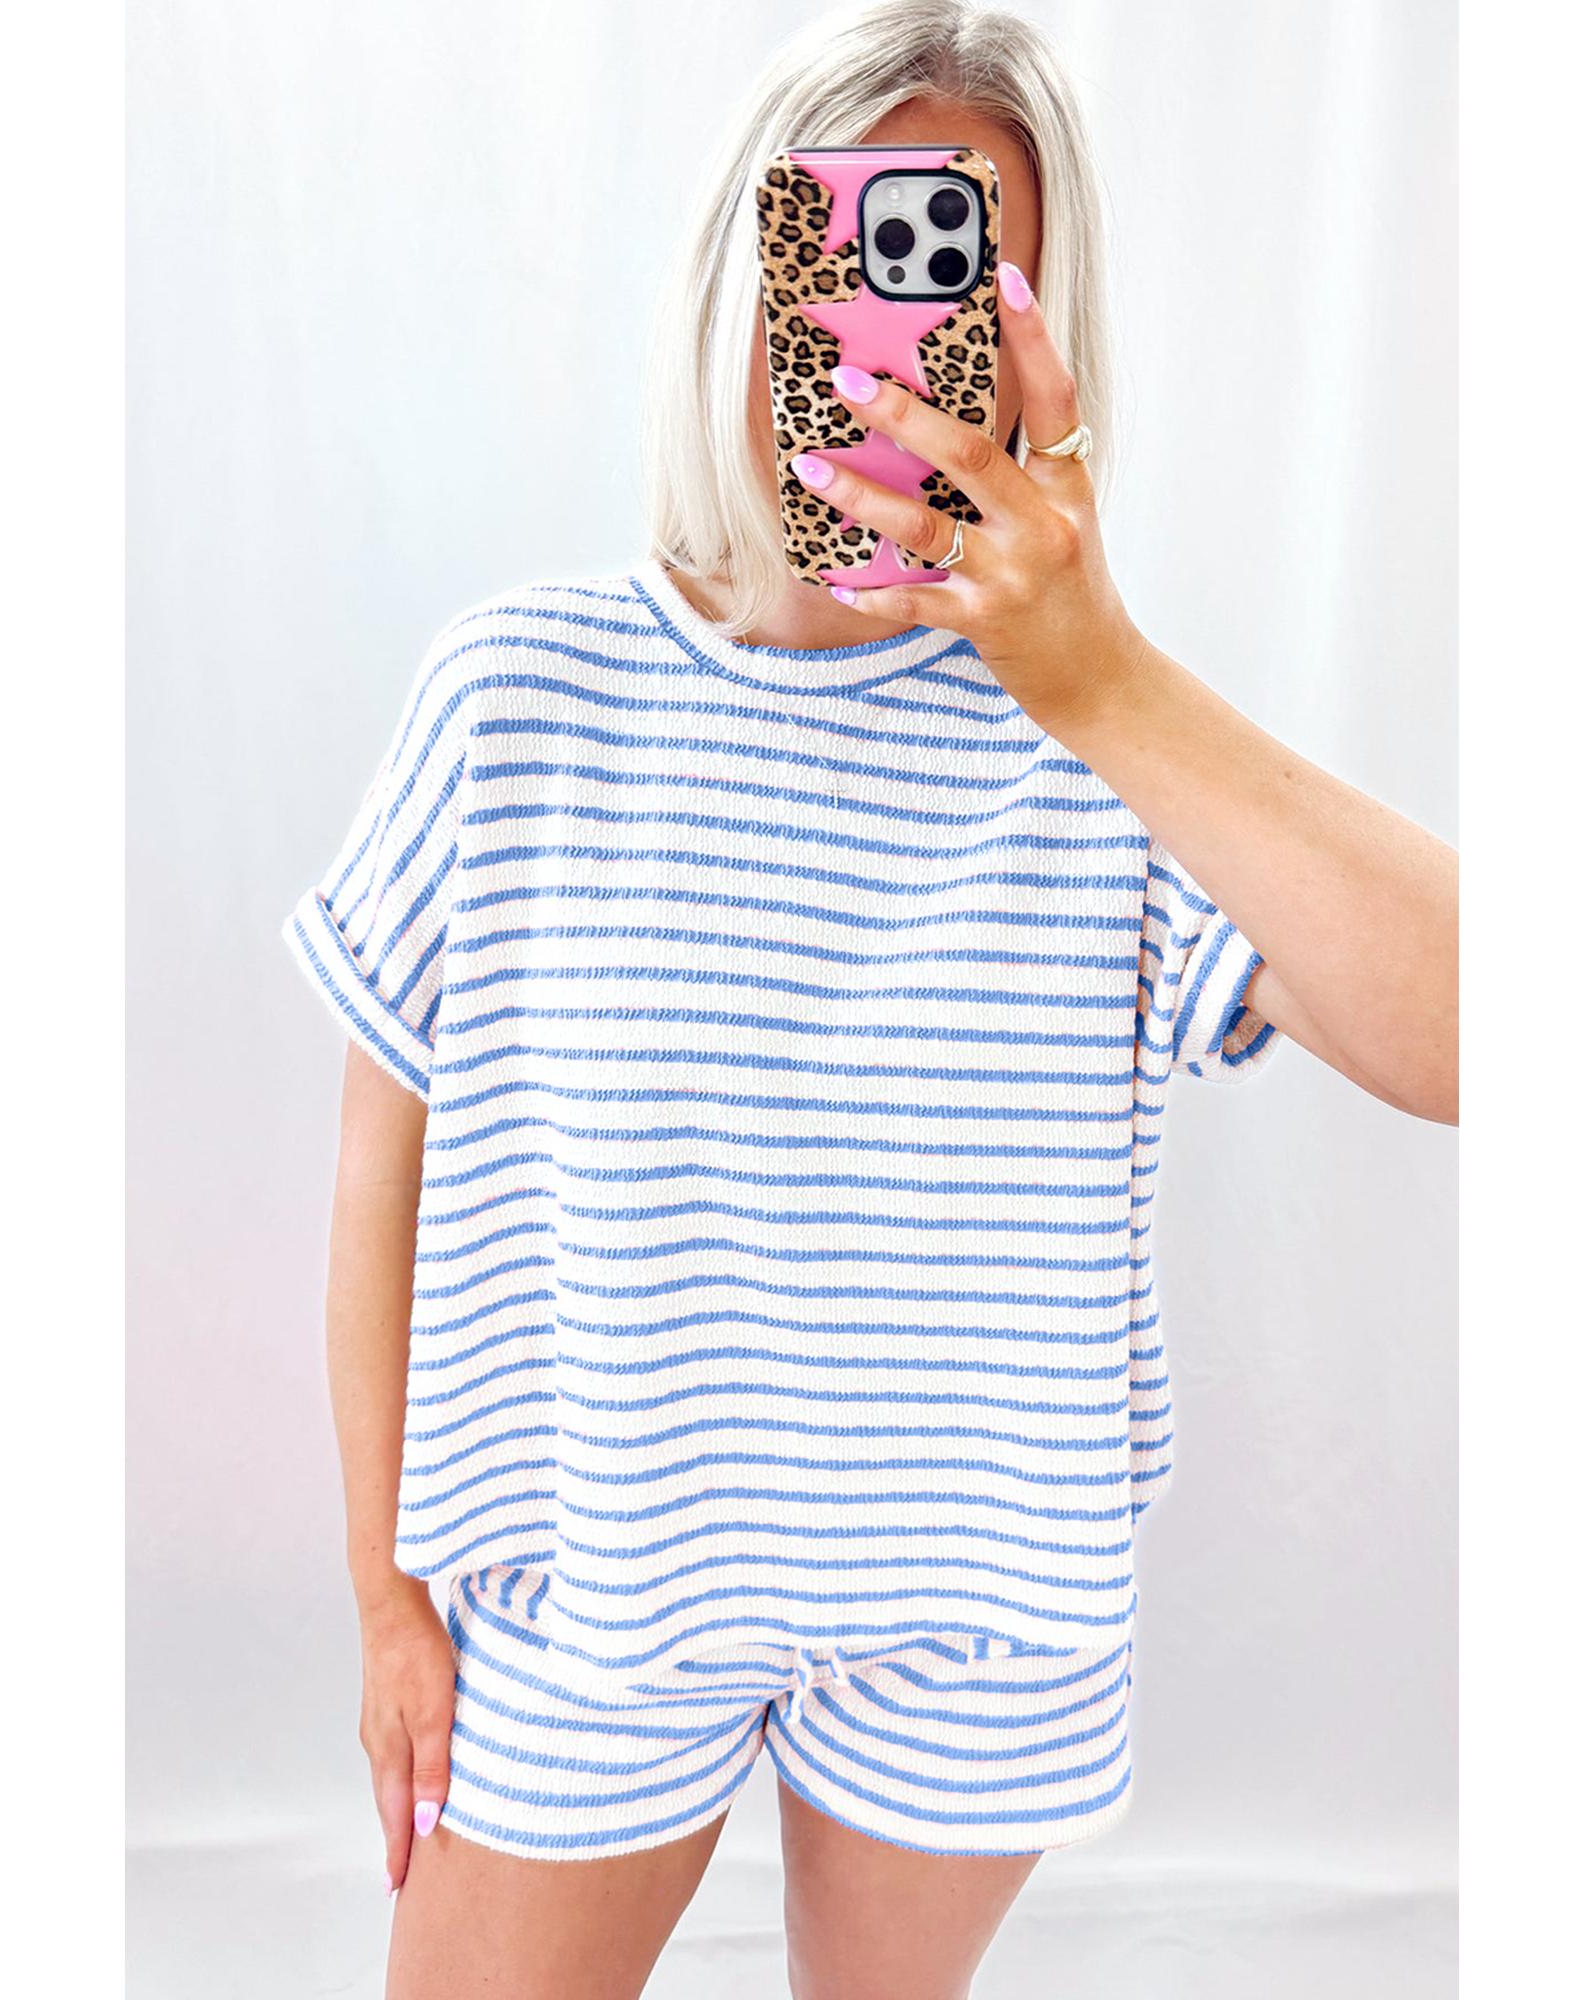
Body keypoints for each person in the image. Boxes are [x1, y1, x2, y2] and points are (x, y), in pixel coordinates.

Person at [281, 4, 1457, 1995]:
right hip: (591, 1589)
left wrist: (1100, 677)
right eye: (844, 253)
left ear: (1040, 342)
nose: (891, 349)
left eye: (960, 281)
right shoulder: (516, 696)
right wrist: (387, 1600)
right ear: (741, 285)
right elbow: (374, 1179)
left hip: (973, 1618)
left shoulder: (1099, 743)